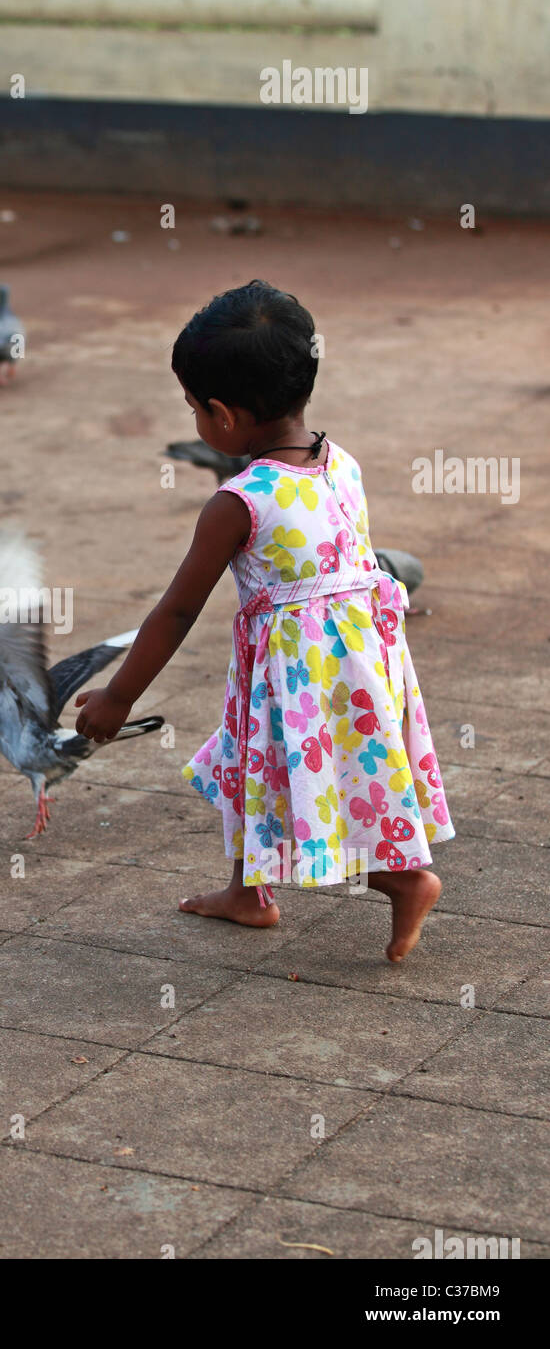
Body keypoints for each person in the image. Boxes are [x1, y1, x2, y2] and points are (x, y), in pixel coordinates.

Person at [74, 281, 453, 962]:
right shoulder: (343, 464)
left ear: (221, 415)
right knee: (258, 769)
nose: (195, 417)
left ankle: (402, 880)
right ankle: (249, 894)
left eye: (193, 407)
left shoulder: (240, 502)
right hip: (358, 660)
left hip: (298, 681)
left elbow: (178, 609)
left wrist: (117, 697)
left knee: (311, 790)